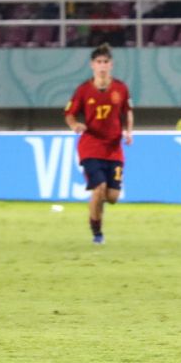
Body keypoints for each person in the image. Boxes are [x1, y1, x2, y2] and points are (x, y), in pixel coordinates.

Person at [64, 44, 133, 244]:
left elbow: (127, 111)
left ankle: (96, 202)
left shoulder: (120, 88)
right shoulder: (84, 90)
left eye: (105, 62)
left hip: (114, 148)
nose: (102, 66)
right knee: (99, 187)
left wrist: (129, 131)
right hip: (91, 146)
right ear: (92, 65)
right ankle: (97, 232)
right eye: (98, 62)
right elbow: (69, 113)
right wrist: (75, 125)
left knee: (112, 197)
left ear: (111, 65)